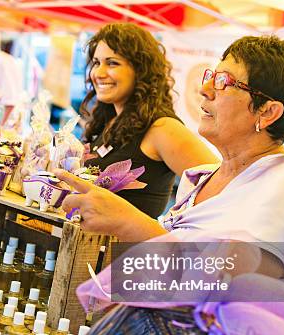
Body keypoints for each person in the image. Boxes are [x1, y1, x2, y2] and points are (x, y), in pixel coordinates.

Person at [58, 35, 284, 335]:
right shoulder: (207, 178)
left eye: (224, 82)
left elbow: (232, 288)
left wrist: (131, 224)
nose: (205, 90)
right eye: (210, 76)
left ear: (267, 112)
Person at [80, 23, 217, 217]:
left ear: (141, 69)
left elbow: (221, 191)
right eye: (96, 62)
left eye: (112, 63)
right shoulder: (110, 121)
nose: (98, 73)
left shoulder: (162, 128)